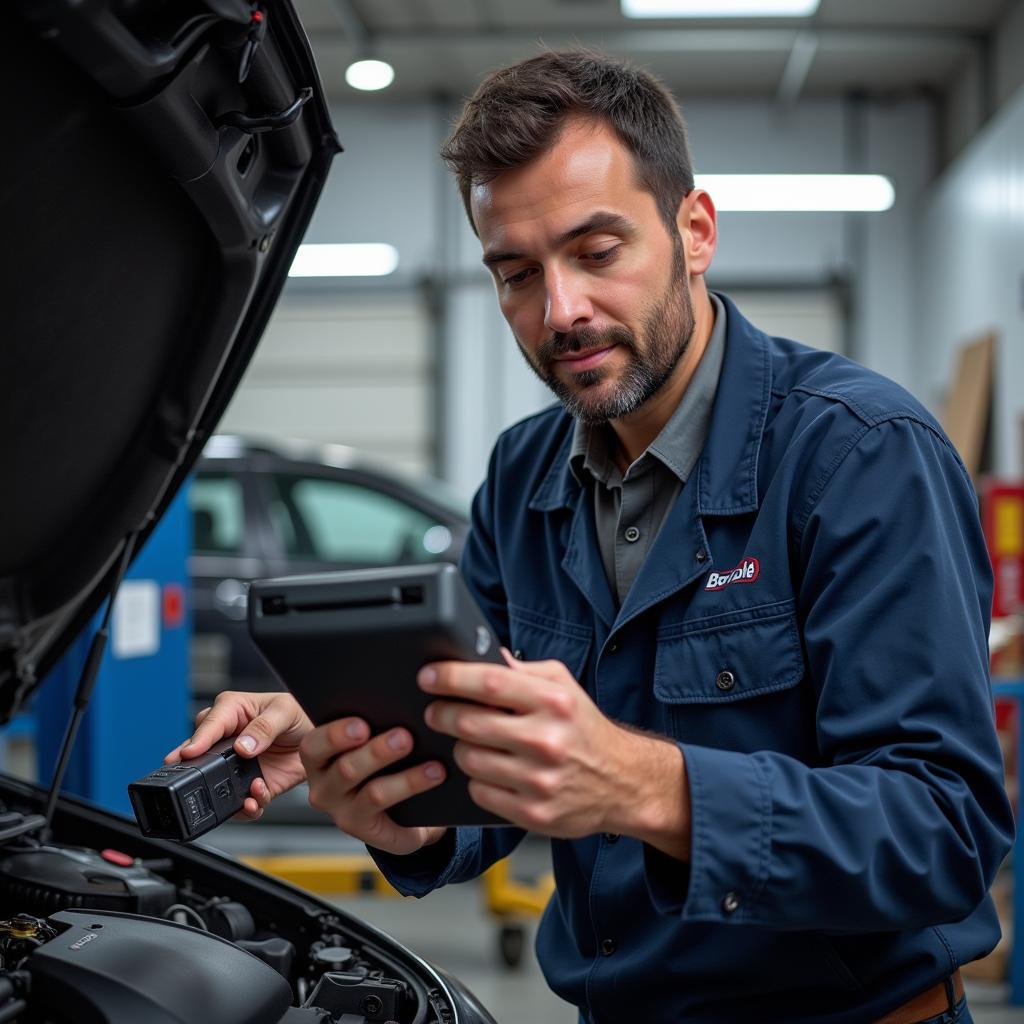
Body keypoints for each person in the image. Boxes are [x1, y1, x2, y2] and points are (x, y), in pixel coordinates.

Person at [168, 50, 1015, 1024]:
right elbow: (479, 788)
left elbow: (942, 834)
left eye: (596, 250)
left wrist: (647, 787)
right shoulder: (523, 479)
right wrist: (379, 779)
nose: (558, 310)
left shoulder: (861, 458)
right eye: (516, 273)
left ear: (692, 231)